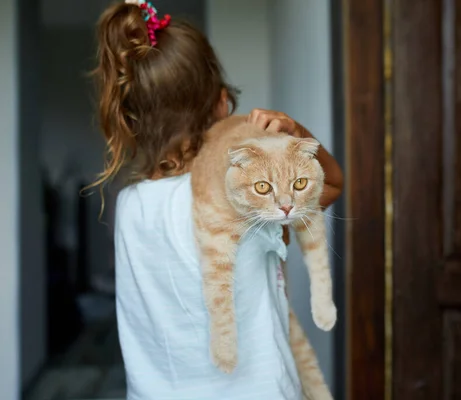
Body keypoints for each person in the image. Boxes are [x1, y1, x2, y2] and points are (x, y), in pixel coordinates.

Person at [91, 2, 344, 399]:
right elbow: (332, 183)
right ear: (222, 104)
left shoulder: (129, 206)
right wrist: (293, 132)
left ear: (131, 117)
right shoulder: (236, 198)